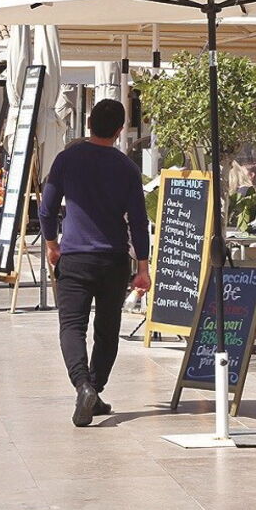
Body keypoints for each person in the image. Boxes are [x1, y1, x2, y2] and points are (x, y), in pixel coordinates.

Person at [39, 99, 151, 427]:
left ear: (88, 122)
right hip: (113, 259)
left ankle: (83, 387)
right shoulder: (126, 167)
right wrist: (142, 267)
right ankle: (94, 389)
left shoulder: (66, 159)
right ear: (119, 130)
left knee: (72, 326)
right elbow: (139, 222)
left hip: (73, 257)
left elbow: (46, 209)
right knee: (106, 329)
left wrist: (51, 244)